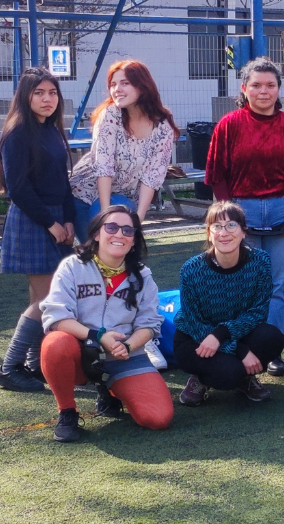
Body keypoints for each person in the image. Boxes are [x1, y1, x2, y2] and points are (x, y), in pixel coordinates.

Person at [205, 57, 284, 377]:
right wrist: (231, 220)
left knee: (276, 285)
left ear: (279, 89)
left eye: (270, 85)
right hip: (242, 211)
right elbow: (217, 176)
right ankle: (243, 350)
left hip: (282, 210)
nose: (263, 91)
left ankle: (271, 351)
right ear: (244, 88)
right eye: (256, 85)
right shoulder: (229, 125)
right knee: (246, 285)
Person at [40, 206, 173, 442]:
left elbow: (150, 324)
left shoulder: (143, 275)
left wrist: (129, 346)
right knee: (55, 344)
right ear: (96, 234)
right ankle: (67, 411)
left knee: (158, 418)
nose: (119, 234)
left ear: (134, 240)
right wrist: (98, 335)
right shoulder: (72, 267)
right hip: (81, 353)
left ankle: (109, 388)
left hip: (124, 356)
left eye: (127, 230)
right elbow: (56, 317)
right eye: (111, 227)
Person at [0, 68, 76, 392]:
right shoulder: (17, 133)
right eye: (39, 93)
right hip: (34, 220)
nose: (47, 99)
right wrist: (51, 223)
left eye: (52, 93)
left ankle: (34, 363)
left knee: (41, 296)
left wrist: (69, 220)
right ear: (26, 96)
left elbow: (63, 182)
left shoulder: (54, 131)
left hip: (57, 219)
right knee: (47, 299)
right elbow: (17, 188)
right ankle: (10, 367)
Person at [174, 201, 284, 406]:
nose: (224, 232)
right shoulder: (191, 270)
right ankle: (199, 378)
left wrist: (223, 335)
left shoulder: (260, 262)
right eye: (217, 226)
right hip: (196, 338)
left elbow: (258, 313)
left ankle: (246, 378)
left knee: (273, 338)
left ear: (244, 231)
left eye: (231, 225)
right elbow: (192, 321)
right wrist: (239, 350)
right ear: (209, 233)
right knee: (228, 374)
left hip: (235, 333)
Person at [69, 59, 179, 238]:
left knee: (124, 252)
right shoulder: (111, 115)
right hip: (85, 194)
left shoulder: (162, 125)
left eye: (124, 83)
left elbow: (152, 176)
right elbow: (103, 167)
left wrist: (138, 221)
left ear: (142, 86)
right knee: (96, 254)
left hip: (124, 198)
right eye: (113, 84)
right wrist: (104, 217)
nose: (116, 89)